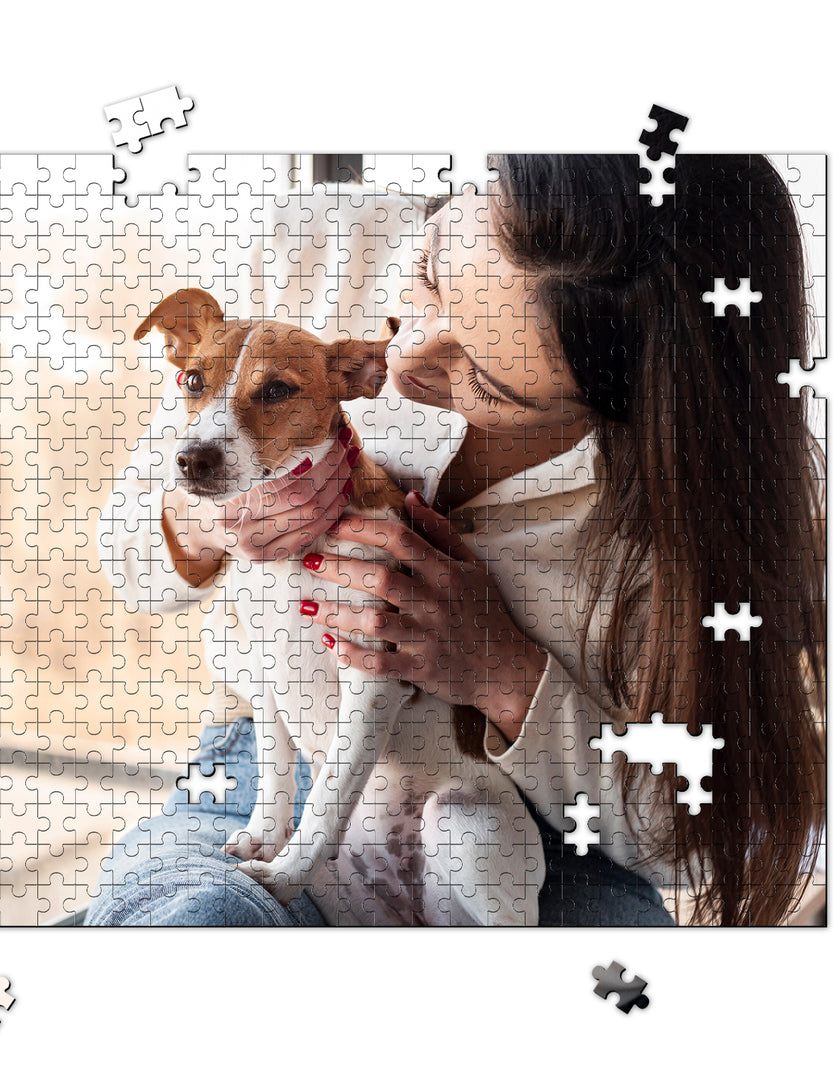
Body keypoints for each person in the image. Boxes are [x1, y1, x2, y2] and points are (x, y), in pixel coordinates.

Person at [88, 154, 824, 927]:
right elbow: (129, 561)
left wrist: (504, 674)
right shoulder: (319, 242)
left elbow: (692, 839)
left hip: (539, 827)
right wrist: (216, 518)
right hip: (264, 771)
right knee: (192, 929)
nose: (402, 357)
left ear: (631, 403)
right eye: (431, 270)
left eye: (485, 379)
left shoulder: (736, 494)